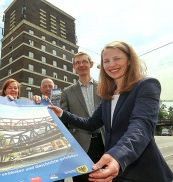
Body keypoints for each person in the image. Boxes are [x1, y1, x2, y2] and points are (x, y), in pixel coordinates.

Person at [49, 41, 173, 181]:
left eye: (117, 58)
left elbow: (141, 126)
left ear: (130, 61)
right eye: (106, 61)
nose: (111, 64)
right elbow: (91, 123)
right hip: (116, 174)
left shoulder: (147, 85)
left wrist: (117, 155)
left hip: (143, 172)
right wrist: (62, 113)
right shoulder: (108, 95)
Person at [60, 52, 104, 182]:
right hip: (80, 147)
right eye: (77, 63)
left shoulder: (104, 87)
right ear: (74, 66)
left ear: (91, 64)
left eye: (84, 61)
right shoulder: (67, 92)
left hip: (103, 143)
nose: (81, 65)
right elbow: (63, 119)